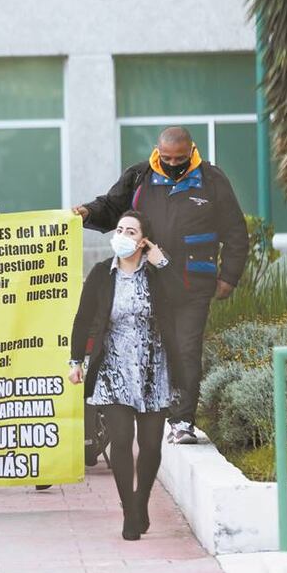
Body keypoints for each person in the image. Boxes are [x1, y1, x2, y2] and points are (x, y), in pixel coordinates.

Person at [73, 127, 249, 445]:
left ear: (191, 151)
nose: (173, 164)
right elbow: (112, 207)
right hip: (148, 282)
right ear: (158, 151)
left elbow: (236, 231)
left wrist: (229, 277)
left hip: (192, 284)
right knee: (137, 347)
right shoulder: (140, 176)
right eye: (167, 158)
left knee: (185, 349)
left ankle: (182, 421)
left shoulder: (212, 180)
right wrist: (87, 212)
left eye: (180, 159)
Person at [69, 211, 177, 541]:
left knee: (150, 445)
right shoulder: (103, 273)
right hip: (113, 369)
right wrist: (76, 361)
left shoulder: (156, 274)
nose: (122, 236)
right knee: (120, 439)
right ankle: (129, 512)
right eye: (119, 229)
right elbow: (83, 317)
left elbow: (183, 302)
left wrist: (163, 264)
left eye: (131, 231)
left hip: (153, 370)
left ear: (144, 241)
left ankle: (141, 500)